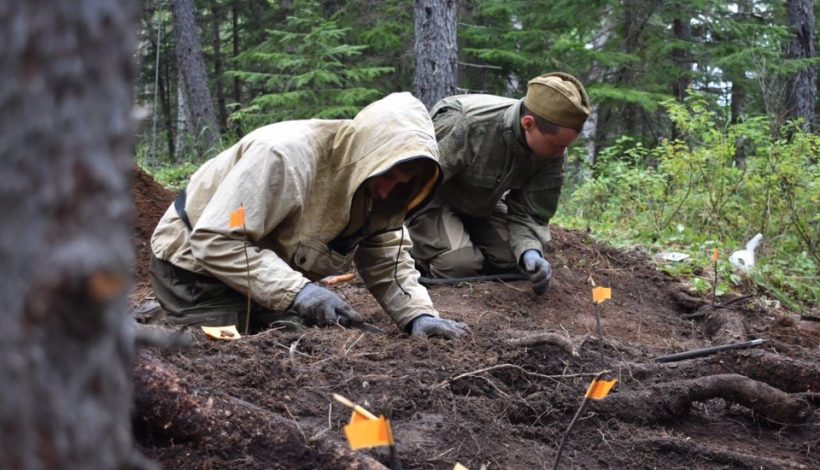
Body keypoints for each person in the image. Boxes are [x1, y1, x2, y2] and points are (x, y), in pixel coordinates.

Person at [149, 92, 470, 339]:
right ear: (370, 155)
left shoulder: (381, 193)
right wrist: (299, 292)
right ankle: (144, 324)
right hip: (194, 270)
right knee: (224, 346)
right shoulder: (283, 157)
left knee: (312, 338)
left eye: (403, 183)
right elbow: (217, 240)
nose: (388, 191)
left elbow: (388, 259)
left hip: (260, 274)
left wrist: (418, 315)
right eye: (387, 176)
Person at [406, 72, 590, 295]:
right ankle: (423, 253)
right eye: (556, 145)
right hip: (432, 198)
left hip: (482, 204)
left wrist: (530, 252)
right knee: (459, 266)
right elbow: (411, 185)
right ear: (528, 123)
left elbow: (531, 212)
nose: (560, 153)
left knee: (516, 261)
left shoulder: (553, 150)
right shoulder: (465, 124)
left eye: (565, 146)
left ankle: (463, 241)